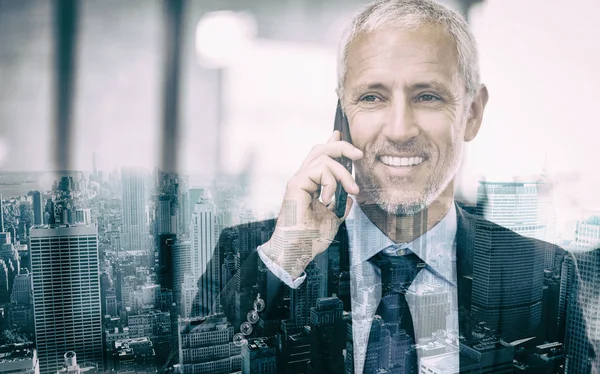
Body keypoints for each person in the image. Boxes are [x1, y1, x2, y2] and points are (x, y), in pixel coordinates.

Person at [191, 0, 596, 373]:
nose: (400, 130)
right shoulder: (250, 254)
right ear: (342, 113)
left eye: (428, 96)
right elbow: (192, 361)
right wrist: (285, 257)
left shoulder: (545, 272)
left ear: (472, 113)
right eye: (371, 97)